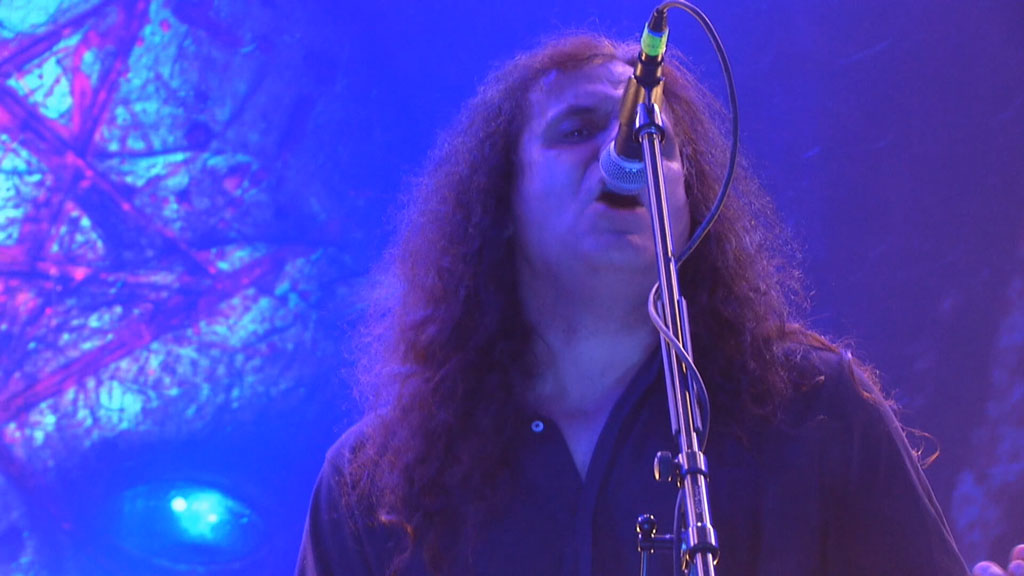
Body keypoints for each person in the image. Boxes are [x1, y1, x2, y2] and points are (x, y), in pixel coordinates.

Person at [296, 33, 973, 575]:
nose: (624, 150)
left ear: (690, 206)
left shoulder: (818, 409)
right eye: (575, 130)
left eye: (657, 139)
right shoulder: (372, 488)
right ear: (499, 202)